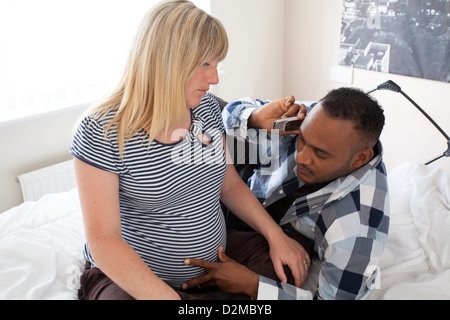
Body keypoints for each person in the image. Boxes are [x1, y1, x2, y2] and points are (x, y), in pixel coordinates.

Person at [70, 0, 308, 300]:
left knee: (286, 271)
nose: (215, 78)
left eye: (217, 64)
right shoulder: (101, 130)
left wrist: (276, 236)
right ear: (167, 62)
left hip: (215, 260)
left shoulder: (205, 108)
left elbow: (230, 185)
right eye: (205, 64)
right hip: (138, 278)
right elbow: (103, 240)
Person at [183, 87, 390, 300]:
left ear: (360, 159)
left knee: (284, 272)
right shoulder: (313, 118)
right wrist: (255, 119)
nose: (302, 157)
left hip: (281, 240)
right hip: (245, 194)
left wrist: (252, 284)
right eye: (302, 139)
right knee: (207, 107)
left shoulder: (357, 230)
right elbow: (231, 111)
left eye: (320, 154)